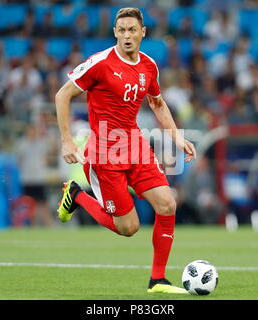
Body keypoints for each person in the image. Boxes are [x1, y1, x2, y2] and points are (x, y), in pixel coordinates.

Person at [54, 8, 196, 294]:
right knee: (128, 228)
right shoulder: (100, 63)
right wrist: (67, 140)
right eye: (122, 30)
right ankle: (77, 195)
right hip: (105, 153)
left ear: (143, 32)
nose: (127, 35)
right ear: (115, 32)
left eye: (132, 30)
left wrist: (177, 138)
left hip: (135, 145)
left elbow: (156, 103)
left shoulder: (148, 65)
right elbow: (62, 94)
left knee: (168, 204)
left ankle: (158, 280)